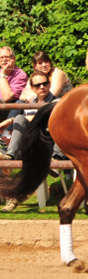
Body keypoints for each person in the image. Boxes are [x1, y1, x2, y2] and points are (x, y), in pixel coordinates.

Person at [0, 71, 56, 212]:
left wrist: (12, 120)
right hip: (27, 146)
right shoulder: (28, 105)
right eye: (38, 85)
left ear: (50, 84)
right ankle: (9, 157)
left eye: (45, 83)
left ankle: (14, 196)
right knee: (19, 122)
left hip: (45, 145)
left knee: (18, 119)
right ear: (33, 88)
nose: (42, 87)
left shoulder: (56, 102)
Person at [0, 47, 28, 122]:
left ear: (14, 59)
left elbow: (7, 98)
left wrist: (3, 75)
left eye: (7, 57)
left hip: (7, 110)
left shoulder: (20, 75)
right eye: (1, 57)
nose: (4, 60)